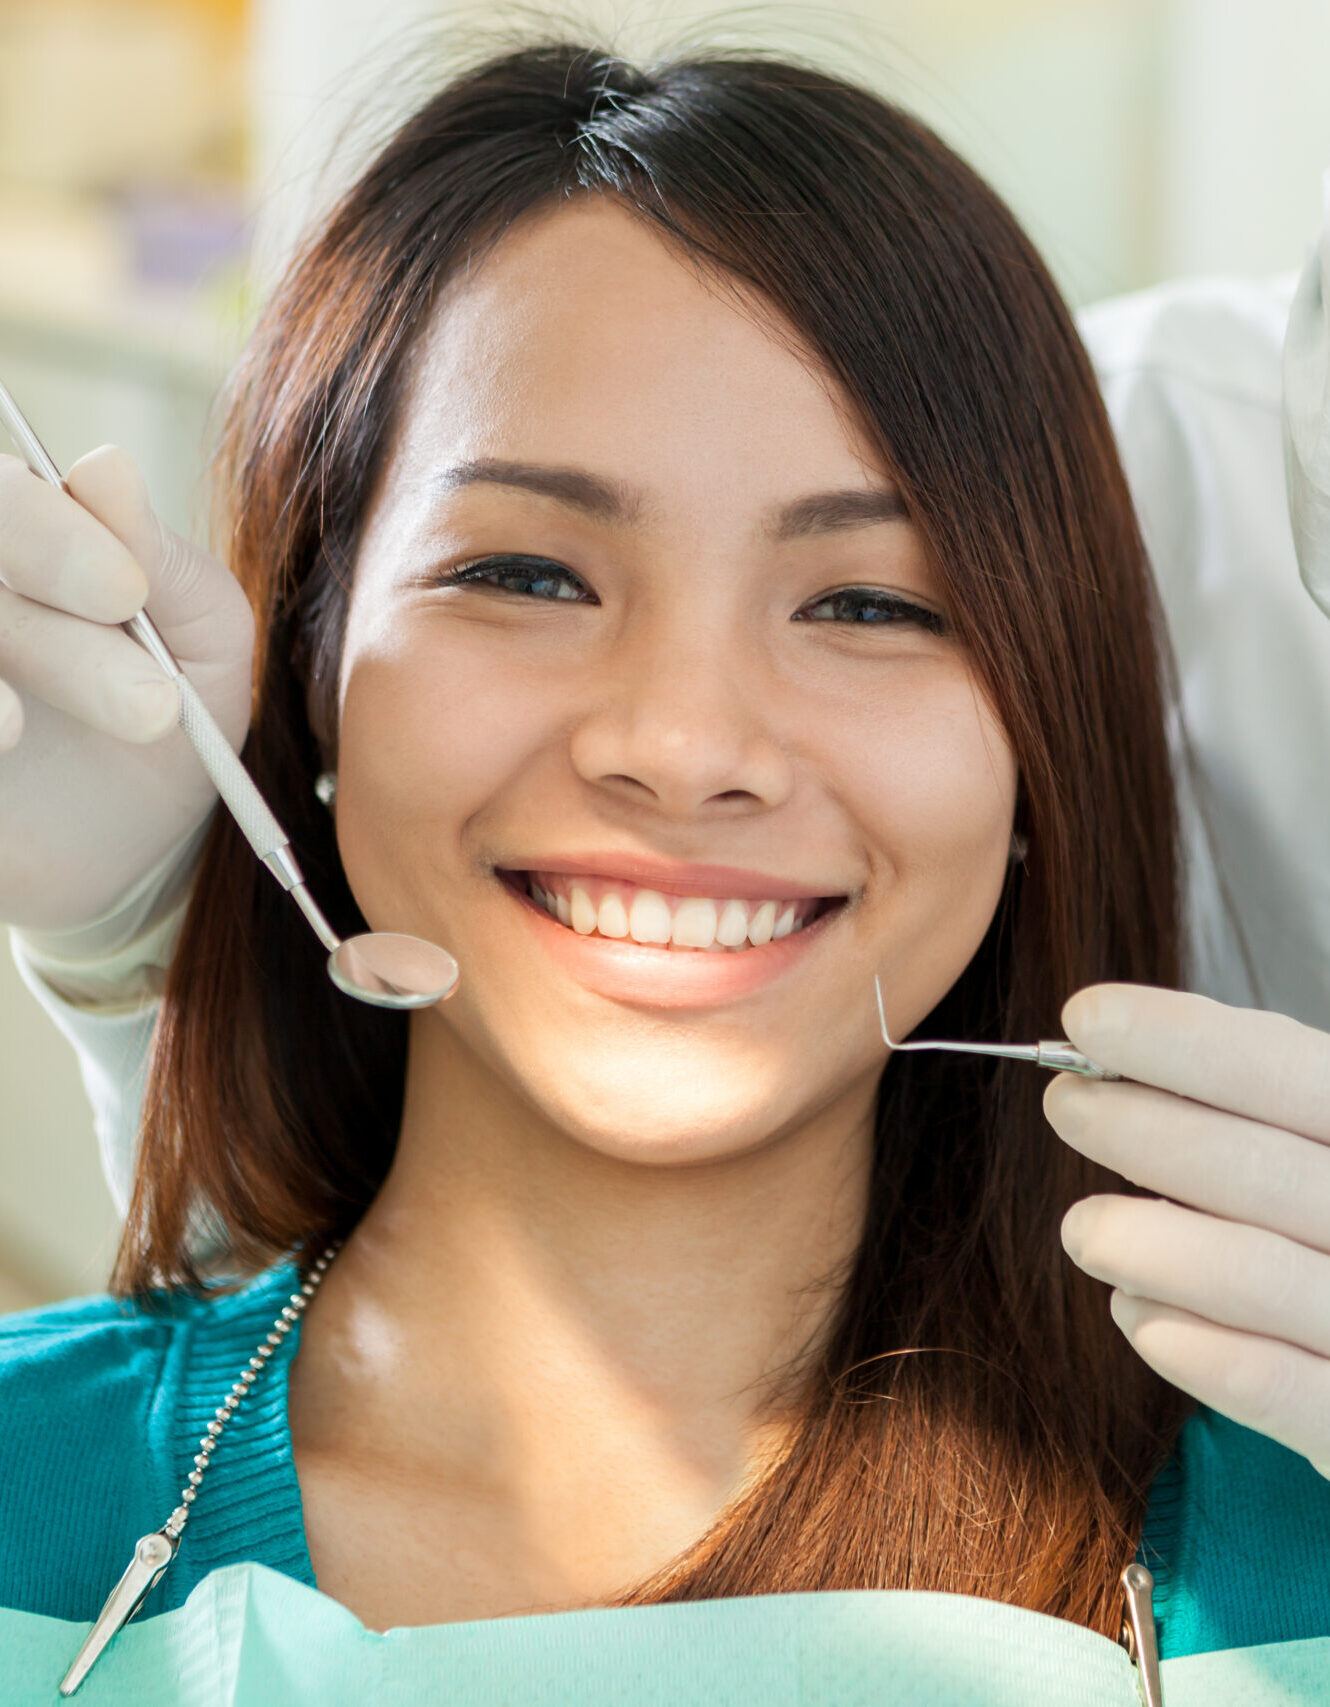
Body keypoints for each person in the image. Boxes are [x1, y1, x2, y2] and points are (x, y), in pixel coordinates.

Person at [2, 39, 1330, 1694]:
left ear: (1042, 759)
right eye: (526, 573)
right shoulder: (31, 1494)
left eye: (869, 604)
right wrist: (147, 942)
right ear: (308, 673)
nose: (687, 744)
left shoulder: (1290, 1558)